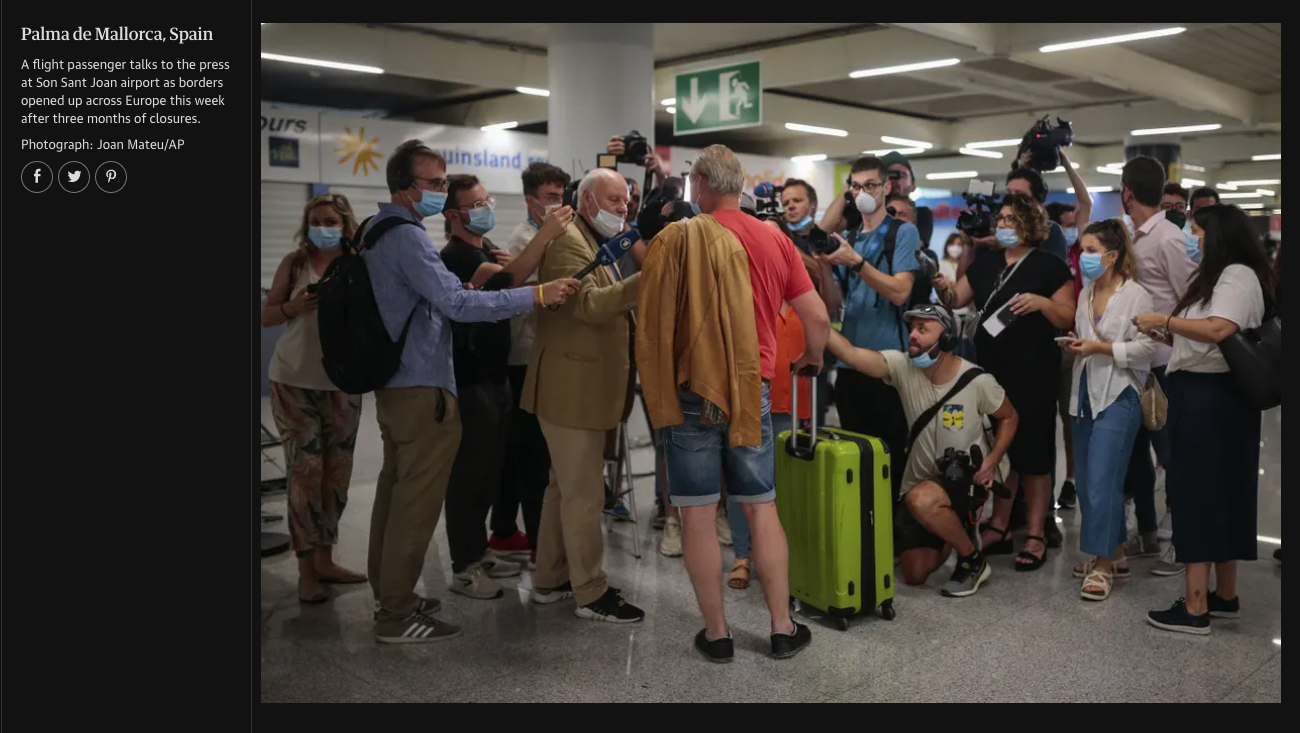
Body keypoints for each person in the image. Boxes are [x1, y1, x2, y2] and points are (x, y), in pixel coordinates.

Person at [363, 139, 579, 643]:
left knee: (394, 498)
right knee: (416, 504)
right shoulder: (408, 236)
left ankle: (390, 593)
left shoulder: (375, 229)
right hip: (423, 384)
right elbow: (457, 304)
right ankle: (395, 615)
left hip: (398, 383)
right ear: (404, 185)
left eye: (443, 183)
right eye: (434, 184)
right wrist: (536, 293)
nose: (441, 192)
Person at [639, 144, 830, 662]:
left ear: (699, 186)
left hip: (690, 391)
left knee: (698, 514)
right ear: (741, 184)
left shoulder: (679, 238)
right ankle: (781, 627)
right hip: (754, 390)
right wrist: (810, 359)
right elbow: (816, 319)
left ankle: (719, 634)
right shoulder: (775, 239)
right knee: (761, 506)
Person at [1133, 203, 1274, 634]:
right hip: (1213, 395)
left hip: (1211, 399)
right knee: (1222, 493)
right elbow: (1206, 331)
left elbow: (1218, 330)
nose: (1191, 240)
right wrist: (1169, 332)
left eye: (1196, 232)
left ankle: (1195, 607)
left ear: (1218, 237)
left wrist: (1165, 319)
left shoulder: (1236, 275)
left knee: (1197, 493)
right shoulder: (1223, 277)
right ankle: (1224, 595)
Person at [438, 173, 577, 599]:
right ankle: (463, 566)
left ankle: (479, 551)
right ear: (453, 214)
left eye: (486, 200)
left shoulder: (481, 250)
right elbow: (508, 281)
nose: (485, 209)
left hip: (497, 375)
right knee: (469, 474)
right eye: (475, 204)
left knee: (489, 472)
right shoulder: (457, 255)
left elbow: (506, 272)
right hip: (472, 376)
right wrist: (548, 234)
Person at [522, 168, 647, 624]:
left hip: (580, 388)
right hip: (569, 390)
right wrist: (647, 279)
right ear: (589, 201)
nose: (624, 209)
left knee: (563, 489)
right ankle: (591, 592)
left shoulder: (590, 237)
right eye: (615, 201)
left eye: (627, 202)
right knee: (584, 494)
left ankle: (550, 579)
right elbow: (590, 305)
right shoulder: (570, 242)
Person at [828, 305, 1018, 597]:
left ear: (947, 339)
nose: (913, 336)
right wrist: (815, 318)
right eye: (912, 328)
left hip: (963, 482)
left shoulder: (977, 380)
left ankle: (972, 559)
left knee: (921, 500)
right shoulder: (902, 366)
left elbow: (1009, 417)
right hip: (921, 480)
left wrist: (991, 461)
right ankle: (953, 529)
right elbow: (852, 355)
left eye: (923, 329)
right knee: (915, 573)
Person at [934, 193, 1075, 571]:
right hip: (993, 369)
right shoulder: (986, 264)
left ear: (1030, 224)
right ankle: (999, 522)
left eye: (1012, 219)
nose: (1003, 225)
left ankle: (1035, 532)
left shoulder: (1049, 266)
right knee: (1000, 448)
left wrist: (1042, 303)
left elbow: (1066, 316)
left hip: (1035, 369)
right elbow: (956, 299)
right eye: (1001, 219)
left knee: (1035, 453)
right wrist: (941, 284)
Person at [261, 192, 367, 604]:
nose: (324, 227)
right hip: (293, 381)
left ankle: (325, 559)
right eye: (316, 221)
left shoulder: (360, 263)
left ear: (345, 223)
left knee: (336, 475)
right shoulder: (295, 263)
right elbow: (267, 314)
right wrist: (293, 307)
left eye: (331, 220)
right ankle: (306, 571)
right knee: (305, 473)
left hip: (343, 382)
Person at [1060, 220, 1157, 602]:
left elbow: (1148, 349)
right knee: (1086, 480)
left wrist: (1101, 349)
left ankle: (1101, 565)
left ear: (1113, 255)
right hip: (1085, 392)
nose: (1083, 258)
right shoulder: (1085, 293)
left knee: (1103, 478)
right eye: (1081, 250)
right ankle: (1115, 553)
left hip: (1120, 393)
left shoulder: (1136, 296)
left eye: (1090, 251)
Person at [817, 155, 922, 501]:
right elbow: (834, 302)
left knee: (889, 457)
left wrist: (857, 263)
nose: (863, 193)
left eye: (871, 185)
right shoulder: (848, 237)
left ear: (886, 187)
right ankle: (865, 538)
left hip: (889, 365)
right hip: (849, 364)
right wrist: (824, 267)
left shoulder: (902, 231)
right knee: (857, 457)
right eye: (856, 187)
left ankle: (891, 538)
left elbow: (900, 291)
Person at [1119, 156, 1199, 577]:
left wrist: (1170, 333)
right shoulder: (1132, 236)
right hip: (1135, 362)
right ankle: (1146, 533)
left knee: (1172, 456)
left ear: (1127, 192)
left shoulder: (1169, 237)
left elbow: (1192, 298)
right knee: (1136, 456)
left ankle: (1184, 542)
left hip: (1167, 365)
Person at [492, 162, 574, 569]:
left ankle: (504, 529)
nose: (559, 205)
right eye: (550, 198)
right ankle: (540, 544)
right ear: (531, 200)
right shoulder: (528, 239)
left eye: (562, 196)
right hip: (523, 359)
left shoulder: (553, 236)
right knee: (529, 455)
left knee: (515, 451)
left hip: (536, 356)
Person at [726, 251, 821, 591]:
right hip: (753, 402)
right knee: (744, 482)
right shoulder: (749, 295)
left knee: (786, 488)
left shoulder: (808, 301)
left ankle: (779, 556)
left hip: (795, 408)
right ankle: (742, 556)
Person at [1046, 201, 1081, 510]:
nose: (1073, 230)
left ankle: (1071, 480)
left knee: (1070, 417)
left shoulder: (1083, 255)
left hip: (1074, 344)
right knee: (1044, 418)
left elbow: (1087, 202)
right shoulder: (1045, 257)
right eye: (1068, 225)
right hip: (1044, 343)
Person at [881, 150, 933, 246]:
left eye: (903, 176)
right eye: (891, 175)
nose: (896, 180)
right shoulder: (868, 212)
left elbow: (915, 245)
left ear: (912, 186)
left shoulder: (922, 214)